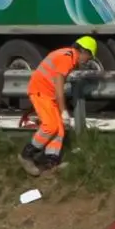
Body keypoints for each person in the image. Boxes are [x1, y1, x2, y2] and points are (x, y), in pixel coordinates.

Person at [21, 36, 97, 176]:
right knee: (50, 126)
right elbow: (59, 88)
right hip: (40, 92)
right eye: (89, 57)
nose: (88, 61)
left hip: (46, 93)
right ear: (83, 51)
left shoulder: (67, 55)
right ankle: (27, 155)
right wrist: (63, 111)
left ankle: (50, 164)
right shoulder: (66, 58)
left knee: (59, 130)